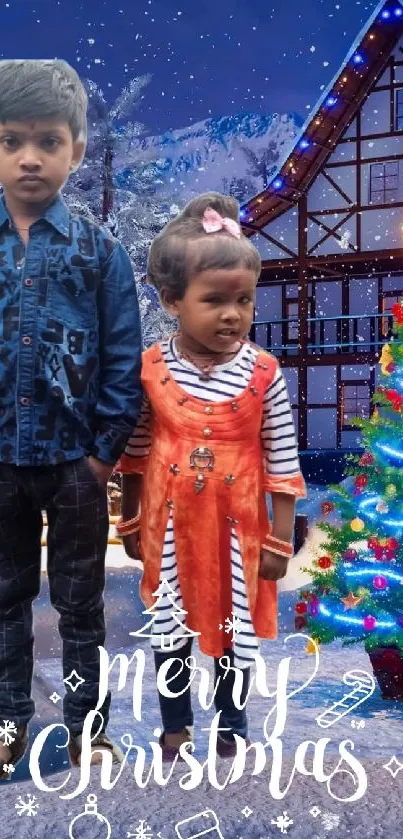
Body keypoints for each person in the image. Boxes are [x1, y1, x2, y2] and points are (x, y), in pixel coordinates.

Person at [117, 192, 306, 760]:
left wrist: (279, 536)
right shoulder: (150, 369)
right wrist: (129, 519)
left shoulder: (264, 372)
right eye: (215, 300)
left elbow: (282, 457)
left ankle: (232, 722)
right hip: (170, 522)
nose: (232, 314)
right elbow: (136, 449)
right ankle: (175, 723)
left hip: (239, 525)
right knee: (171, 625)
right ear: (173, 300)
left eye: (244, 301)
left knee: (233, 625)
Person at [0, 59, 142, 776]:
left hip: (74, 462)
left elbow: (124, 356)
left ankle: (89, 729)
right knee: (3, 599)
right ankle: (8, 723)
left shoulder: (99, 251)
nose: (30, 156)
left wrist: (102, 452)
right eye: (12, 139)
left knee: (81, 605)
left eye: (49, 141)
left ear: (77, 148)